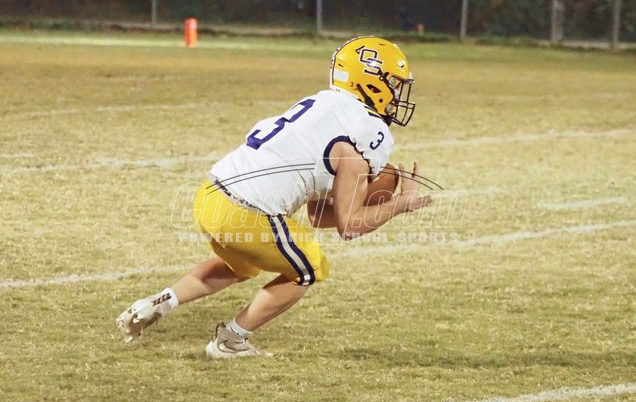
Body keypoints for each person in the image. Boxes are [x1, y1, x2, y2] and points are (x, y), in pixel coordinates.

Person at [116, 36, 432, 359]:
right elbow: (349, 226)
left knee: (243, 266)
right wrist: (401, 203)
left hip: (209, 196)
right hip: (247, 212)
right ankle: (230, 342)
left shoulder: (325, 103)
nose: (396, 95)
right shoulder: (368, 130)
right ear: (371, 81)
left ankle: (156, 303)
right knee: (310, 267)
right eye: (393, 84)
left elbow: (317, 215)